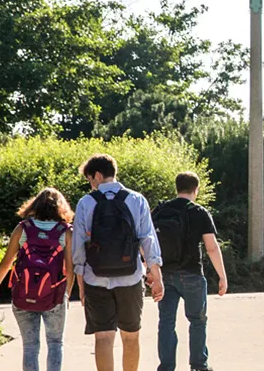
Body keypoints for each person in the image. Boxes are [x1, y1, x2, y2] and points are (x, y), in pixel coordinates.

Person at [71, 153, 165, 371]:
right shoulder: (136, 199)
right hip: (130, 277)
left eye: (90, 179)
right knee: (131, 337)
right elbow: (148, 239)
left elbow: (79, 246)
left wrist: (81, 282)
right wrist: (156, 275)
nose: (91, 185)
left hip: (96, 278)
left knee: (103, 338)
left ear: (97, 175)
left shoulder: (86, 203)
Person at [0, 188, 76, 371]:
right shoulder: (66, 232)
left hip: (23, 293)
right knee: (55, 343)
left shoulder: (23, 228)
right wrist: (66, 294)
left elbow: (6, 263)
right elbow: (70, 269)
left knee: (30, 346)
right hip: (54, 295)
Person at [151, 172, 227, 371]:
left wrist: (150, 272)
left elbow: (147, 244)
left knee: (166, 322)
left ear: (177, 188)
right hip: (192, 273)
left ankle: (166, 366)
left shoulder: (160, 211)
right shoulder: (199, 212)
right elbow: (211, 247)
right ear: (196, 189)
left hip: (165, 273)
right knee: (197, 321)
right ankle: (199, 365)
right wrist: (222, 276)